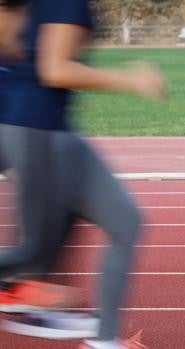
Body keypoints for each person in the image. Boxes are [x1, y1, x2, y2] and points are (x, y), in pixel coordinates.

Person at [0, 0, 166, 348]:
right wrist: (132, 80)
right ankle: (18, 292)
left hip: (45, 129)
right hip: (36, 129)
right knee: (33, 253)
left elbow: (13, 44)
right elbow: (54, 69)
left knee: (125, 220)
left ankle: (104, 341)